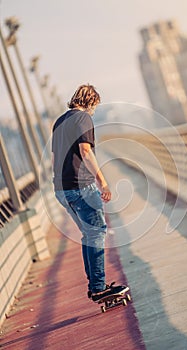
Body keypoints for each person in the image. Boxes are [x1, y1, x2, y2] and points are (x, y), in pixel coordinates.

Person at [52, 84, 128, 302]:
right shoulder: (83, 119)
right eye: (95, 106)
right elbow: (86, 151)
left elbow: (55, 158)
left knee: (89, 235)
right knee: (96, 233)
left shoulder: (60, 121)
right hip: (81, 186)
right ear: (91, 102)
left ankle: (95, 285)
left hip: (62, 188)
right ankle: (98, 287)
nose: (94, 111)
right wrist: (103, 182)